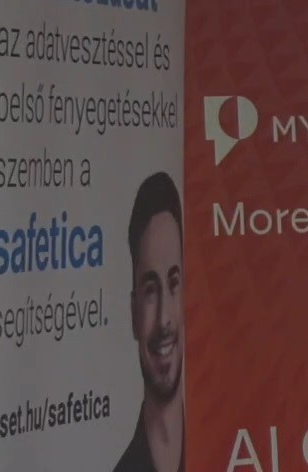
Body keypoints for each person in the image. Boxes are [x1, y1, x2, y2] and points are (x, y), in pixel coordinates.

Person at [113, 171, 184, 472]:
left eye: (174, 283)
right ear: (134, 314)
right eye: (151, 290)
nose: (164, 319)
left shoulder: (229, 442)